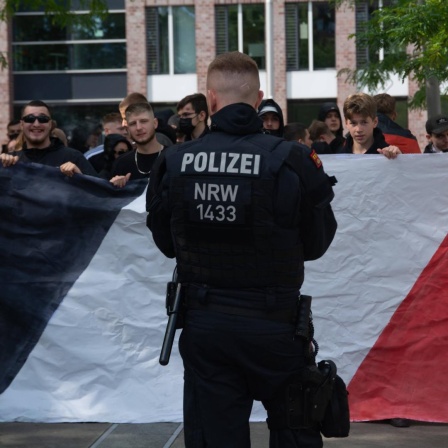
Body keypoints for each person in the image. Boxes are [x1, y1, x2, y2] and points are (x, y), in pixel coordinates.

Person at [146, 51, 337, 448]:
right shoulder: (294, 158)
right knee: (295, 433)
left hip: (207, 327)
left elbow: (166, 244)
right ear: (259, 97)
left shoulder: (175, 160)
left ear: (210, 99)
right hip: (278, 327)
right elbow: (317, 244)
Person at [0, 100, 98, 177]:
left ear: (50, 124)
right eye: (30, 119)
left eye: (43, 119)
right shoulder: (10, 161)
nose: (36, 124)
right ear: (22, 125)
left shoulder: (73, 157)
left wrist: (80, 176)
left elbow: (100, 195)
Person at [110, 102, 164, 184]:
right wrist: (114, 187)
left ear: (155, 123)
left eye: (144, 121)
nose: (138, 128)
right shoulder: (121, 163)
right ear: (127, 129)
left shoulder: (172, 157)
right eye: (133, 124)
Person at [337, 93, 401, 158]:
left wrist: (400, 159)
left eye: (364, 122)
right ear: (346, 123)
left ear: (375, 122)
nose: (358, 129)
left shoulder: (388, 155)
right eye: (353, 123)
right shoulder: (338, 158)